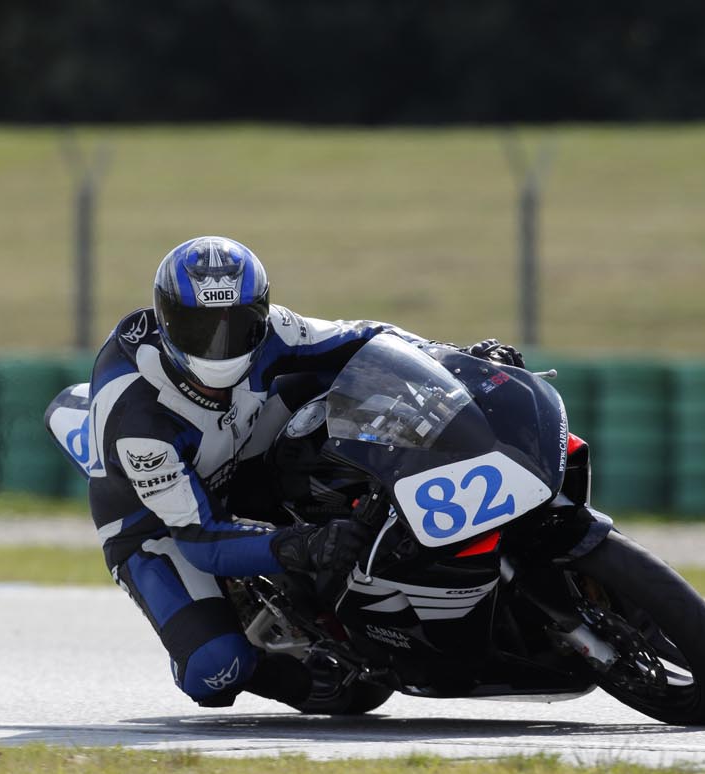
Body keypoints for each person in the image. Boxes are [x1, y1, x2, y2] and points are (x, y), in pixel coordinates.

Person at [87, 235, 522, 709]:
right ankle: (248, 646)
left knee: (340, 377)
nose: (219, 346)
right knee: (214, 668)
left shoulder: (273, 331)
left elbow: (366, 339)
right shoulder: (138, 421)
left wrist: (453, 358)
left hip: (240, 449)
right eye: (200, 329)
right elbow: (200, 538)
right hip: (158, 524)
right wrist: (306, 545)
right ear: (167, 320)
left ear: (261, 310)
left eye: (237, 326)